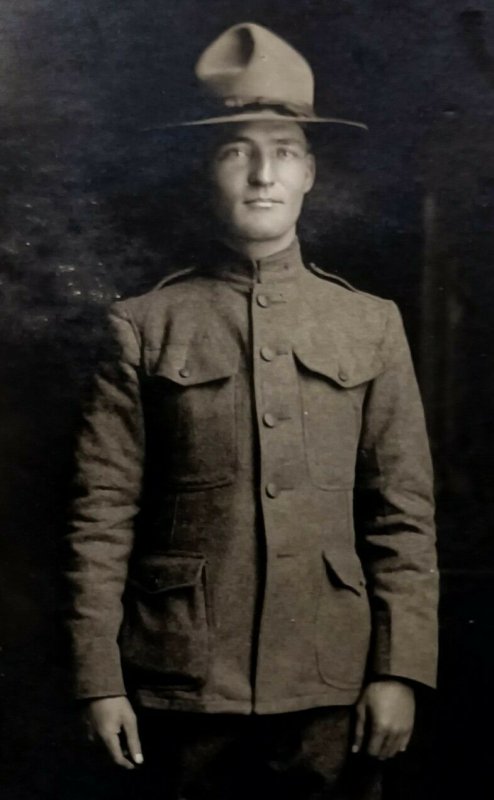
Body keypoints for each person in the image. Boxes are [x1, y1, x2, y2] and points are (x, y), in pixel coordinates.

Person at [66, 22, 438, 800]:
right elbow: (100, 516)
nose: (263, 173)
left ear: (310, 174)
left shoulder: (370, 323)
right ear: (203, 172)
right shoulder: (144, 324)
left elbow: (401, 517)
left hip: (331, 687)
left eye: (286, 152)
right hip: (180, 682)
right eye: (237, 150)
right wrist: (99, 681)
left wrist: (400, 669)